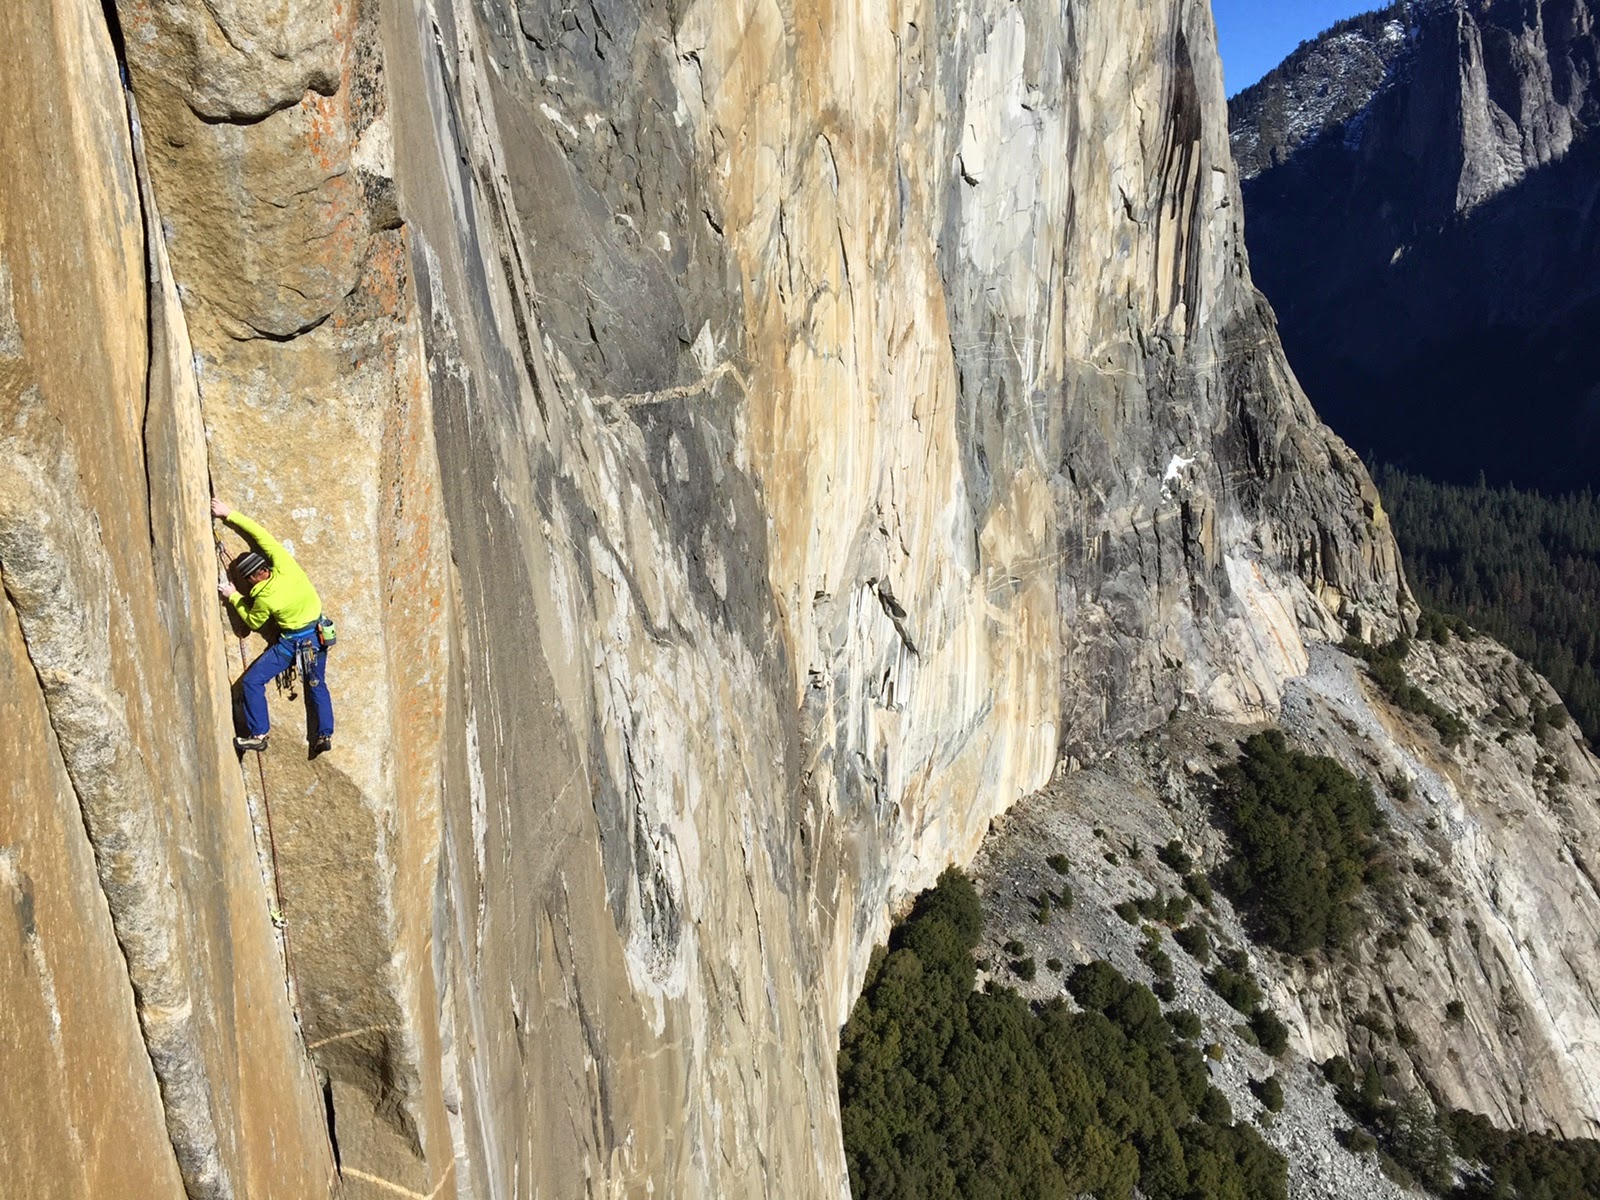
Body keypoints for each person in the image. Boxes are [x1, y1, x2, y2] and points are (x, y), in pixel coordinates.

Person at [212, 497, 334, 755]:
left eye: (248, 581)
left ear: (254, 576)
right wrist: (229, 514)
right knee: (316, 684)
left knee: (253, 682)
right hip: (318, 636)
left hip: (291, 645)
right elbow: (261, 535)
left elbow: (253, 622)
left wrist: (233, 595)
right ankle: (324, 734)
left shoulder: (264, 597)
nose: (250, 585)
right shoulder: (285, 565)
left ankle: (259, 734)